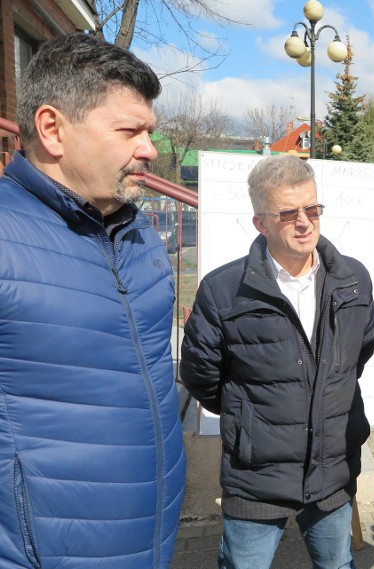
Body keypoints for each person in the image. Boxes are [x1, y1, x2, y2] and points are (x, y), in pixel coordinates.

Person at [0, 33, 186, 567]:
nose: (149, 149)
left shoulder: (139, 233)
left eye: (149, 131)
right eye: (130, 130)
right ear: (53, 129)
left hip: (151, 541)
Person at [180, 154, 374, 569]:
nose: (305, 222)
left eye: (312, 209)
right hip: (257, 476)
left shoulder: (353, 279)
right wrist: (249, 419)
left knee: (337, 563)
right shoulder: (223, 290)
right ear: (261, 223)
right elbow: (201, 375)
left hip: (333, 469)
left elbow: (360, 352)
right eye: (288, 214)